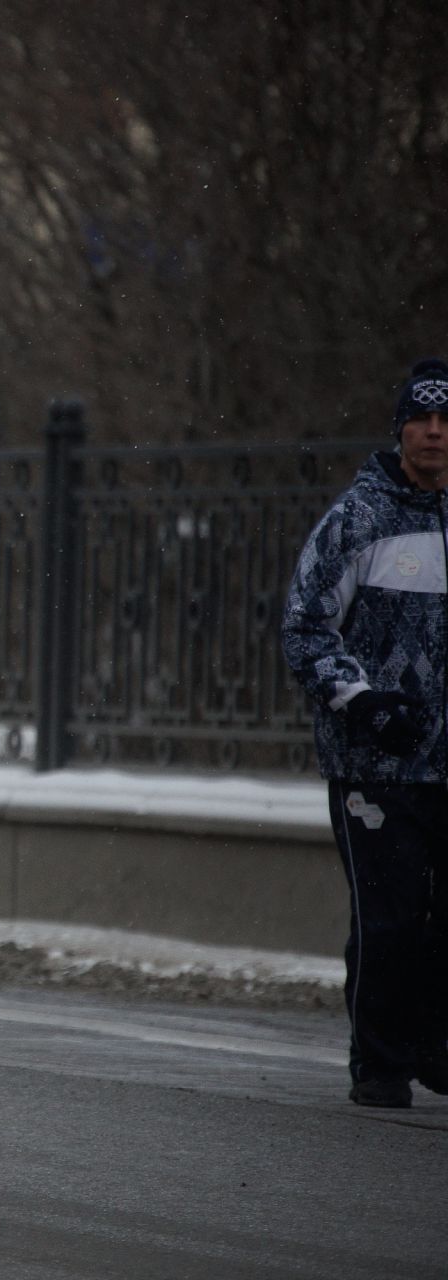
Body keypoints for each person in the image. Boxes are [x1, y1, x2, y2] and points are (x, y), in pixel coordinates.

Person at [282, 357, 448, 1110]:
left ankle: (437, 1046)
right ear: (401, 428)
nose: (435, 435)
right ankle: (380, 1061)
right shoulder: (359, 518)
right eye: (423, 420)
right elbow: (304, 626)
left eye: (447, 423)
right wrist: (363, 700)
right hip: (376, 763)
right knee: (389, 917)